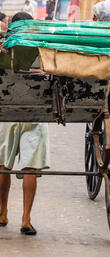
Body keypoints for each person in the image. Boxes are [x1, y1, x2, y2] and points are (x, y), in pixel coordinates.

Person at [0, 11, 50, 236]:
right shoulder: (44, 48)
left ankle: (2, 212)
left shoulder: (5, 47)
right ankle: (26, 220)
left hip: (7, 112)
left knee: (2, 166)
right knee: (29, 167)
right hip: (36, 113)